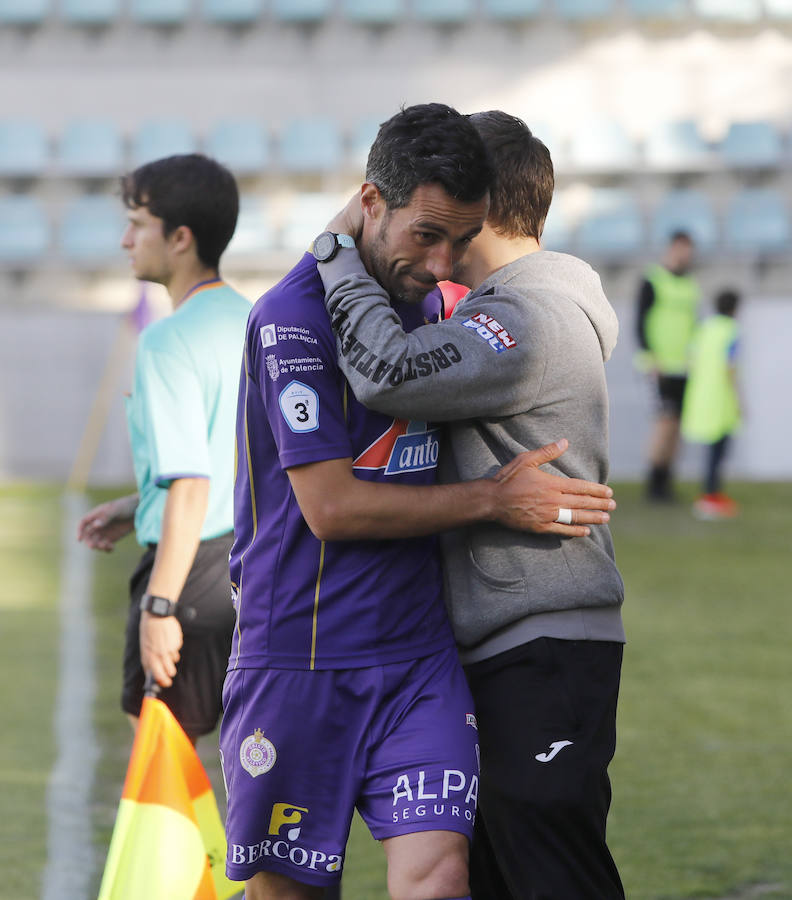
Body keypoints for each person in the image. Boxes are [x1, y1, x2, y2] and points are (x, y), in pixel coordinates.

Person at [219, 103, 616, 900]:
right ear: (370, 203)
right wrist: (492, 500)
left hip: (418, 662)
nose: (442, 263)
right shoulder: (292, 319)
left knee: (440, 876)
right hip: (300, 653)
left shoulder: (441, 314)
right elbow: (330, 508)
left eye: (460, 240)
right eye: (425, 235)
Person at [76, 153, 250, 744]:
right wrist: (135, 505)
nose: (126, 240)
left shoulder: (167, 341)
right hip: (253, 563)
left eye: (138, 223)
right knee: (245, 757)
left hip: (192, 568)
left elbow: (193, 484)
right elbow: (230, 459)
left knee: (164, 756)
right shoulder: (255, 321)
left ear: (180, 238)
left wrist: (159, 608)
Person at [636, 230, 700, 501]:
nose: (684, 254)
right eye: (680, 248)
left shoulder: (691, 285)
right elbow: (640, 322)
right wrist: (651, 358)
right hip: (661, 366)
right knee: (664, 423)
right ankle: (654, 482)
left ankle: (667, 481)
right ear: (671, 248)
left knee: (677, 426)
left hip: (685, 366)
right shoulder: (653, 280)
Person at [682, 289, 741, 520]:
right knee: (719, 450)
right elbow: (730, 366)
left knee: (711, 450)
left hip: (701, 395)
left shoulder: (703, 329)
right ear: (735, 308)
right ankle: (710, 497)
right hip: (721, 397)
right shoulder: (732, 331)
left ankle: (711, 494)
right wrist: (739, 399)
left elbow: (691, 359)